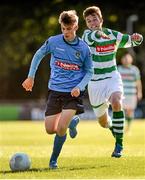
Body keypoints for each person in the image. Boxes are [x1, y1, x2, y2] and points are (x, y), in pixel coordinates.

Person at [22, 10, 93, 169]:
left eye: (68, 29)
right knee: (49, 130)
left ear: (75, 26)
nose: (65, 32)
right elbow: (38, 55)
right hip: (54, 91)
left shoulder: (83, 48)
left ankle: (53, 161)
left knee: (61, 128)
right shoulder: (53, 42)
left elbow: (89, 71)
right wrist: (30, 77)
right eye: (63, 29)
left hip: (73, 93)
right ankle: (72, 122)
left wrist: (79, 87)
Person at [81, 6, 143, 158]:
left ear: (101, 20)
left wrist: (137, 38)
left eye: (95, 19)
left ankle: (119, 145)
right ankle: (111, 127)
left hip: (112, 78)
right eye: (89, 21)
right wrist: (98, 34)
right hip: (95, 83)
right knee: (103, 122)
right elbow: (91, 38)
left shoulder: (112, 35)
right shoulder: (87, 35)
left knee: (116, 101)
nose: (92, 23)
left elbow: (131, 42)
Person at [118, 52, 142, 132]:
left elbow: (138, 82)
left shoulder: (135, 69)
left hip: (132, 93)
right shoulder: (118, 69)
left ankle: (128, 128)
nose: (126, 60)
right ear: (122, 60)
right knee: (121, 111)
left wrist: (139, 92)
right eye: (124, 58)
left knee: (130, 111)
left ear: (131, 59)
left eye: (128, 58)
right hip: (121, 94)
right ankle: (121, 126)